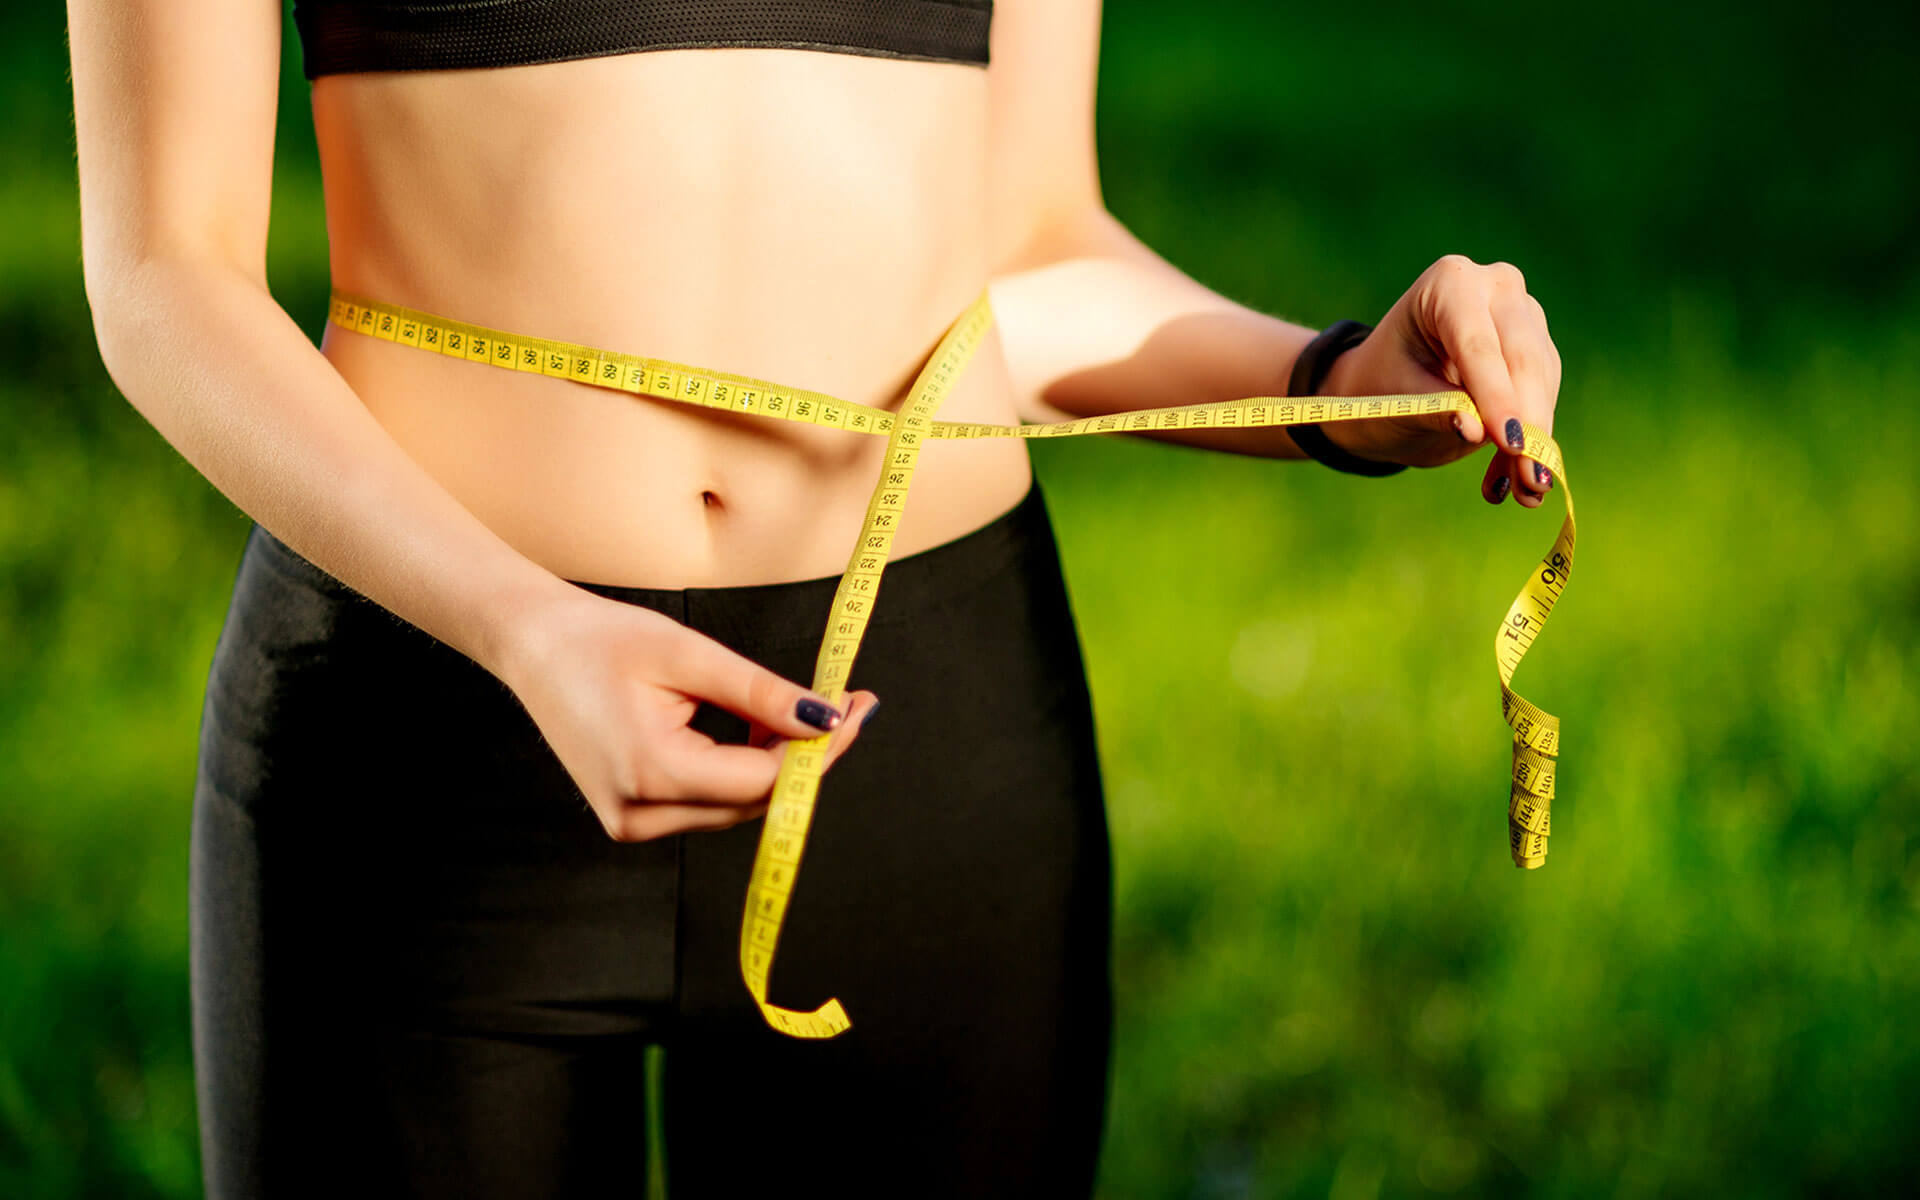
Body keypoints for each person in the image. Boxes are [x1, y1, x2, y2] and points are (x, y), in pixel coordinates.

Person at [65, 0, 1562, 1195]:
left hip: (929, 736)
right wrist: (526, 627)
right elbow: (164, 276)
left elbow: (1028, 252)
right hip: (430, 726)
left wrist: (1339, 387)